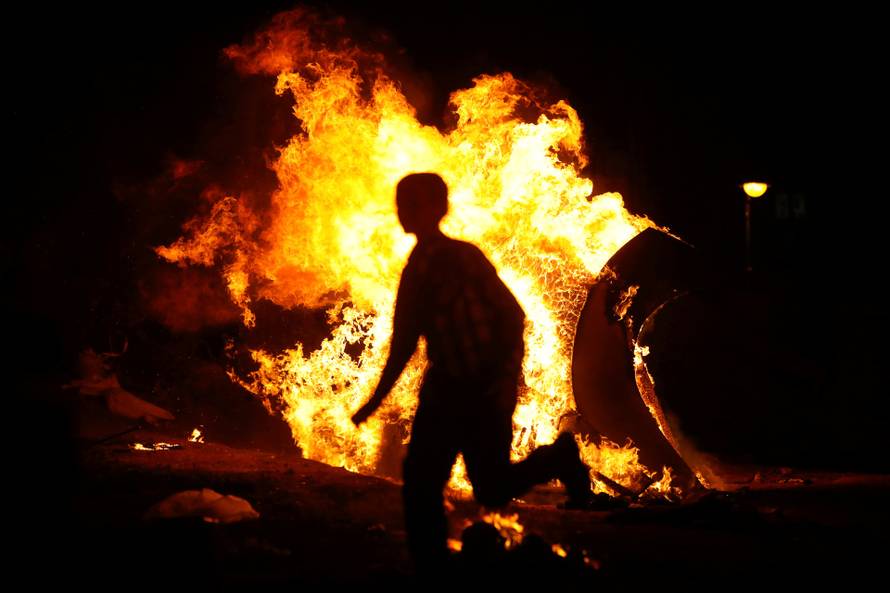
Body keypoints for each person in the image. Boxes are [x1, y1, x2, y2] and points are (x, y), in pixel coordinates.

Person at [352, 172, 592, 572]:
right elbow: (405, 341)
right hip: (445, 388)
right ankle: (430, 562)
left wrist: (503, 376)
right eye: (401, 203)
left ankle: (560, 456)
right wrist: (374, 402)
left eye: (414, 203)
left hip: (483, 389)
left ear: (439, 209)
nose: (404, 212)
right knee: (422, 480)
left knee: (491, 488)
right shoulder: (415, 269)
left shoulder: (465, 258)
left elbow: (512, 314)